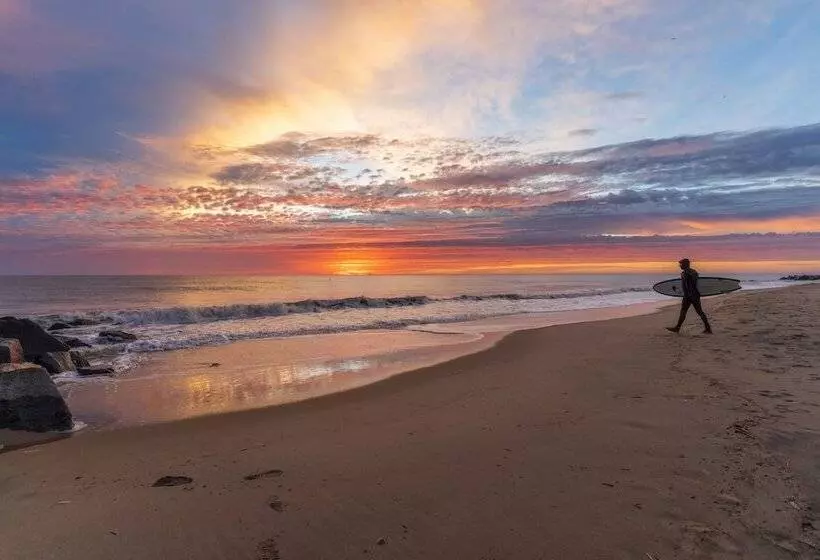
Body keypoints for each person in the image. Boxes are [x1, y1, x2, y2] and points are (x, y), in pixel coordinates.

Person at [666, 258, 712, 334]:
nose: (680, 265)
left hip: (692, 295)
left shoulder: (690, 273)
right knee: (686, 311)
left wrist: (687, 292)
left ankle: (708, 328)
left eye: (681, 264)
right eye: (680, 264)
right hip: (689, 295)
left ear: (686, 264)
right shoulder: (687, 273)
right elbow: (685, 286)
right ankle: (677, 328)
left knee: (698, 312)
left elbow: (693, 284)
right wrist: (676, 290)